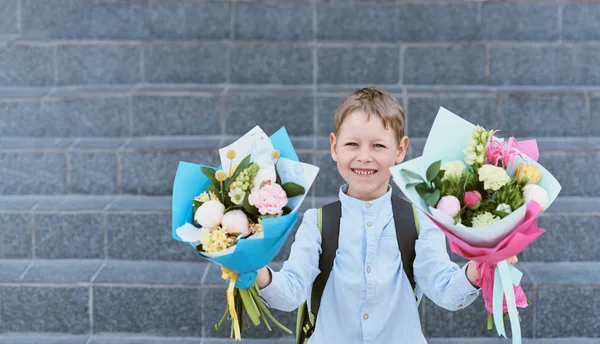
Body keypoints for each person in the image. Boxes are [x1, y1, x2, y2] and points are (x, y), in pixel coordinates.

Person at [253, 87, 516, 343]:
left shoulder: (420, 220)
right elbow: (290, 293)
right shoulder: (316, 222)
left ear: (400, 150)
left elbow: (445, 289)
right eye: (352, 144)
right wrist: (252, 269)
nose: (364, 157)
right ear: (334, 147)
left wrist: (481, 264)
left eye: (378, 145)